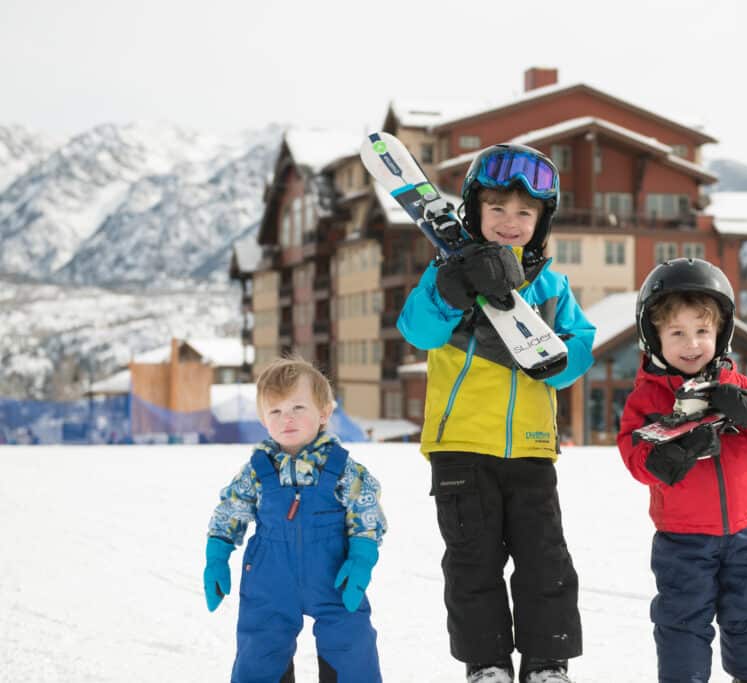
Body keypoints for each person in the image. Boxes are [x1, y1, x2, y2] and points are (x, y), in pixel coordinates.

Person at [398, 143, 595, 683]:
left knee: (545, 561)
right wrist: (449, 290)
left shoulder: (551, 288)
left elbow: (580, 348)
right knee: (471, 563)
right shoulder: (445, 275)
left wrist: (552, 361)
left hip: (531, 448)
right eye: (498, 209)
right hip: (460, 447)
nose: (510, 222)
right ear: (473, 212)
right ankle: (486, 665)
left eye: (525, 213)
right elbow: (418, 331)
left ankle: (547, 662)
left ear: (542, 221)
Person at [617, 258, 747, 683]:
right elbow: (634, 456)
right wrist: (669, 455)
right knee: (682, 621)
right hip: (684, 538)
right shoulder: (647, 399)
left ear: (721, 333)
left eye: (702, 331)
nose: (691, 344)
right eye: (676, 332)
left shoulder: (738, 387)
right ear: (653, 337)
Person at [203, 357, 385, 683]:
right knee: (260, 652)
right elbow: (230, 509)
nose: (287, 418)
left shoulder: (343, 469)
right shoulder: (257, 471)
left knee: (353, 648)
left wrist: (361, 558)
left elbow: (366, 511)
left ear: (324, 413)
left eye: (298, 407)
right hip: (270, 579)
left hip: (334, 576)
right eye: (275, 411)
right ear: (263, 419)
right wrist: (217, 556)